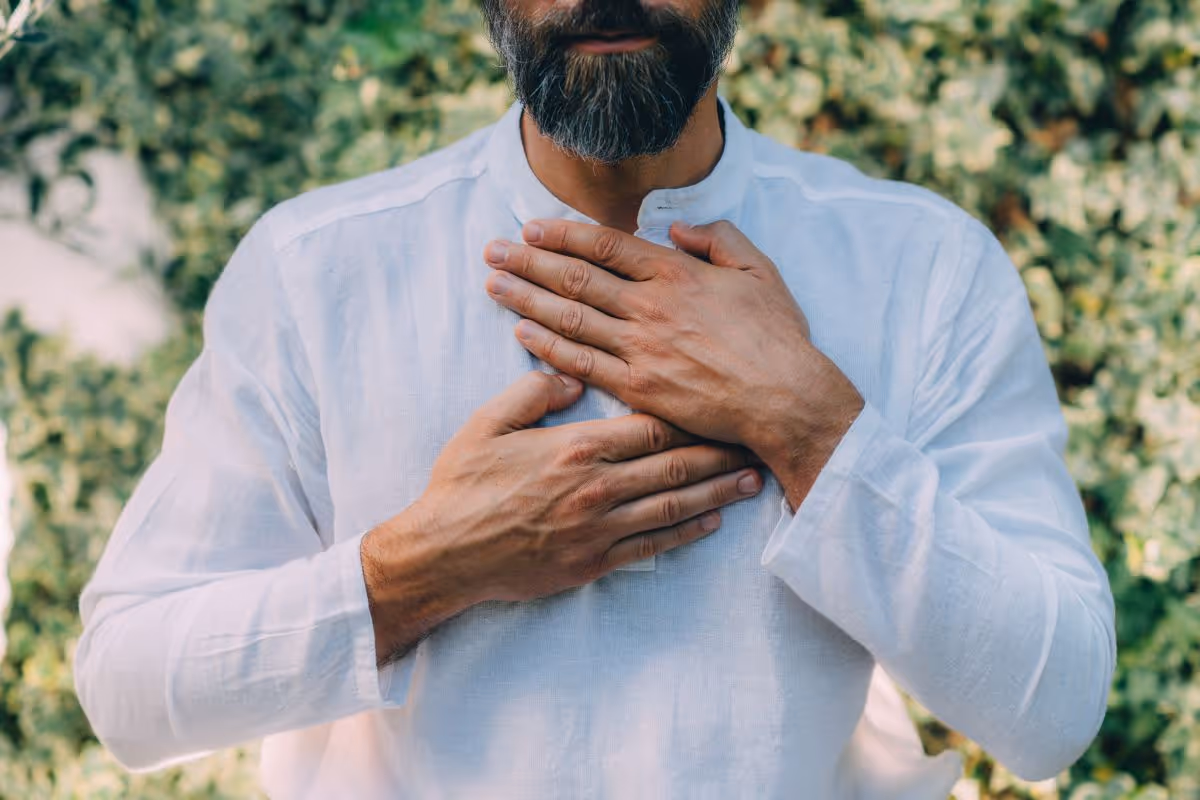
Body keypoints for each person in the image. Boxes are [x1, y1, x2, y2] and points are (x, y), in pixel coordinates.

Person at [72, 0, 1117, 797]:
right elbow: (128, 687)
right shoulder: (316, 273)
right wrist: (425, 568)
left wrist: (809, 421)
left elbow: (1052, 706)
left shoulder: (922, 269)